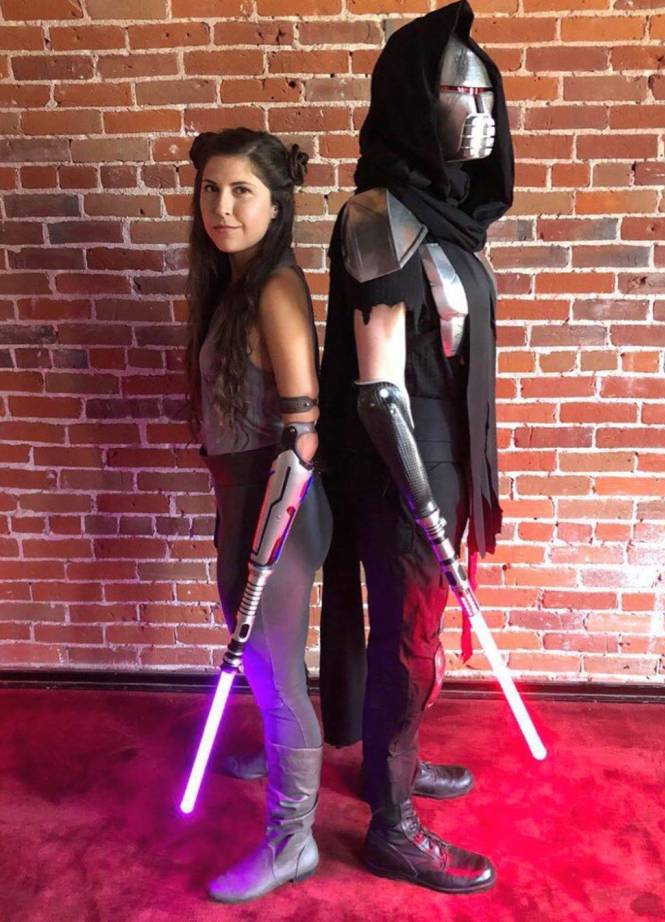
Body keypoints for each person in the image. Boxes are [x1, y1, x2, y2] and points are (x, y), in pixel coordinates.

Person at [318, 0, 513, 894]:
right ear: (408, 99)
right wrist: (427, 508)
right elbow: (379, 387)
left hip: (439, 461)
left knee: (418, 637)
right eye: (456, 93)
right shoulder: (378, 217)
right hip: (403, 472)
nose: (478, 112)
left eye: (484, 95)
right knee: (407, 645)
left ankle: (390, 767)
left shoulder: (448, 217)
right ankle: (392, 828)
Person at [184, 127, 332, 903]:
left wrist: (263, 549)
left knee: (276, 679)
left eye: (242, 190)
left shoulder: (274, 288)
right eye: (211, 188)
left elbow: (303, 435)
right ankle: (280, 753)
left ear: (277, 204)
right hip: (239, 497)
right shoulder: (235, 282)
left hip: (278, 505)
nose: (223, 206)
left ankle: (292, 841)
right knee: (267, 666)